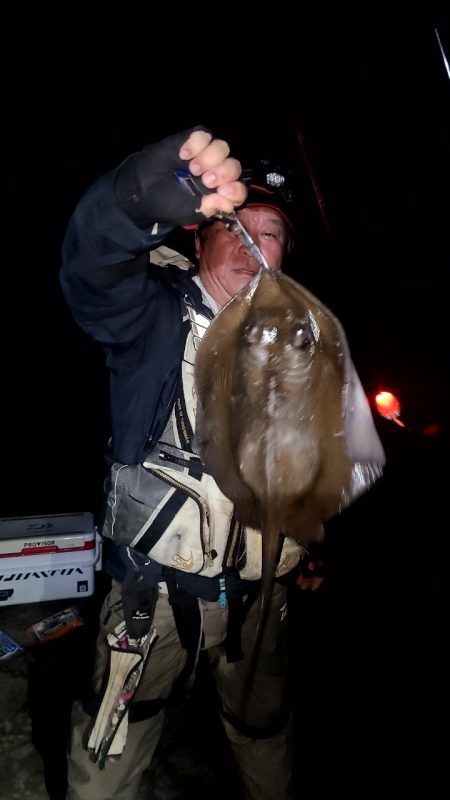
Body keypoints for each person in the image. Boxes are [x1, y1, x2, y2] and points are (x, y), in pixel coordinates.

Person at [60, 125, 326, 800]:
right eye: (234, 227)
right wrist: (133, 201)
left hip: (263, 602)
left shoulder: (301, 339)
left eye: (268, 234)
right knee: (110, 752)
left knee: (264, 733)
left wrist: (310, 539)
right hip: (150, 600)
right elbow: (92, 272)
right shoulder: (149, 318)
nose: (250, 246)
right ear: (199, 237)